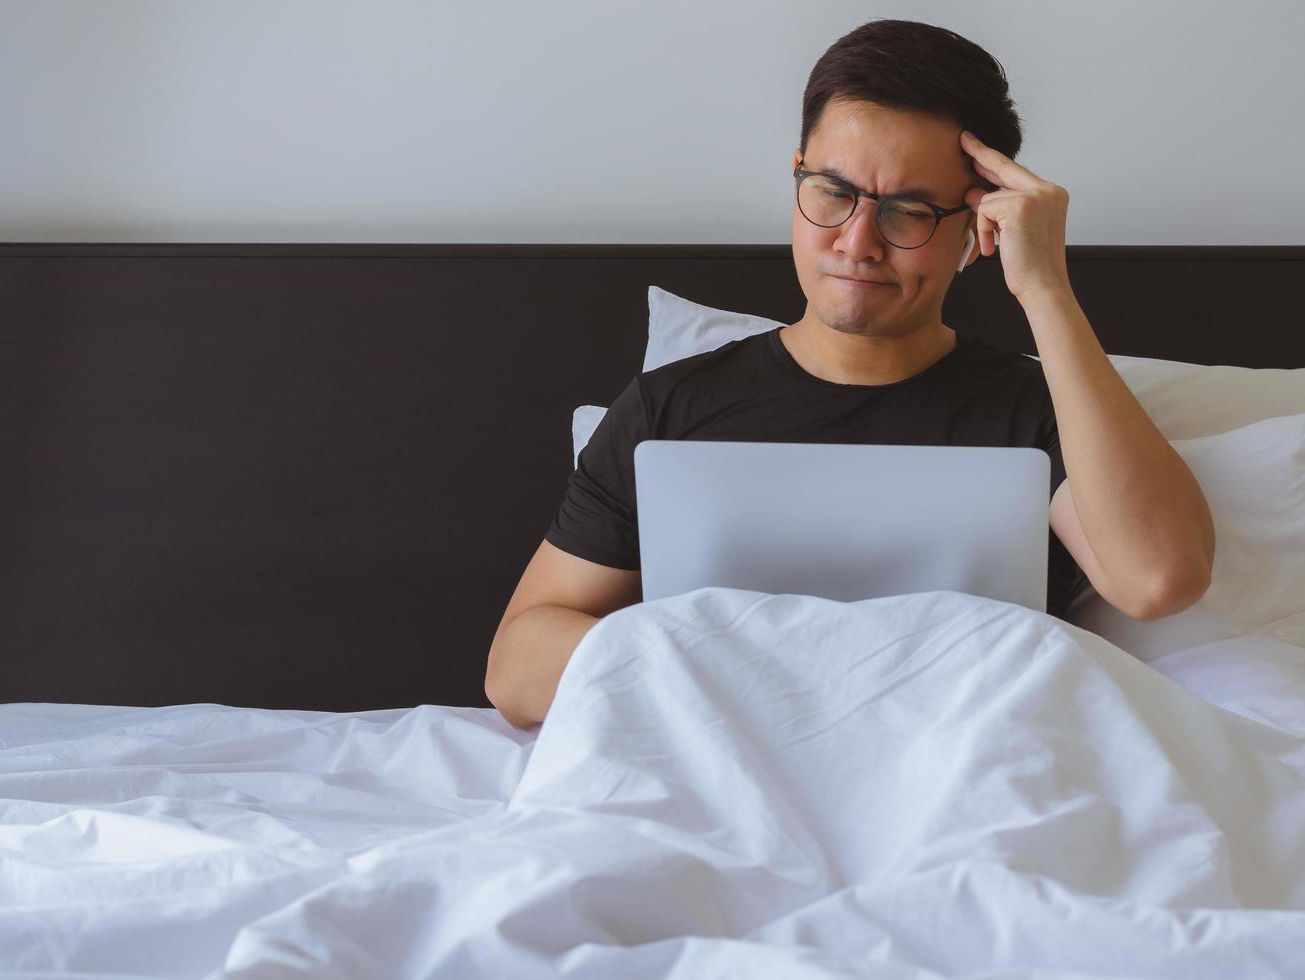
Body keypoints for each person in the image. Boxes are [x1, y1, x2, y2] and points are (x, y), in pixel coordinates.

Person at [485, 18, 1215, 730]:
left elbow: (1156, 579)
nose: (858, 244)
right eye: (833, 194)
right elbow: (515, 672)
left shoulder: (1035, 413)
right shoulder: (669, 409)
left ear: (977, 227)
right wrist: (747, 665)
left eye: (908, 212)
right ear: (795, 175)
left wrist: (1046, 288)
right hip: (723, 764)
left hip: (965, 777)